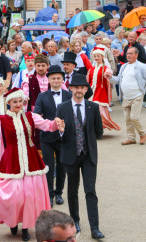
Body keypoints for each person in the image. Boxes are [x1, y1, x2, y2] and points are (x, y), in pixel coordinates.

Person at [0, 88, 62, 241]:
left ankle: (25, 228)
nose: (18, 104)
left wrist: (56, 123)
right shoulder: (2, 119)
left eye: (21, 101)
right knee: (15, 197)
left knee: (29, 196)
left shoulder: (30, 116)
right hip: (12, 162)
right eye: (15, 102)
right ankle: (13, 222)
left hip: (32, 161)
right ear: (9, 103)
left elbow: (47, 125)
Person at [55, 73, 104, 239]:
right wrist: (61, 132)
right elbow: (59, 133)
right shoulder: (62, 108)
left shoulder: (93, 107)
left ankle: (95, 227)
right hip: (71, 155)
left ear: (86, 89)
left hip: (88, 155)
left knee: (90, 191)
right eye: (76, 87)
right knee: (72, 191)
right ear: (70, 89)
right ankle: (74, 220)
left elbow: (99, 131)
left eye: (82, 87)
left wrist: (87, 141)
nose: (79, 90)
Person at [33, 65, 71, 208]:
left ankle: (59, 192)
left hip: (63, 137)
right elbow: (36, 113)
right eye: (53, 78)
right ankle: (49, 194)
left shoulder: (68, 95)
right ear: (48, 80)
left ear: (62, 80)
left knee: (62, 166)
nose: (56, 80)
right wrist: (46, 123)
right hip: (47, 137)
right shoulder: (42, 96)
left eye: (58, 78)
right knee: (48, 167)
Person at [114, 47, 146, 145]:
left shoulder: (141, 66)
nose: (128, 55)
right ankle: (131, 138)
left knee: (134, 117)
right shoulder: (124, 66)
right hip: (126, 98)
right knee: (127, 119)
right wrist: (109, 77)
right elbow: (117, 80)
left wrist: (143, 88)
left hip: (137, 96)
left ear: (136, 55)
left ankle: (142, 133)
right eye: (127, 53)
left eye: (131, 53)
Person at [88, 47, 121, 131]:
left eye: (98, 56)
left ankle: (100, 127)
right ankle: (95, 128)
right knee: (91, 111)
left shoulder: (106, 68)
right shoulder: (92, 69)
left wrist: (108, 74)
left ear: (102, 57)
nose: (96, 58)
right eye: (95, 56)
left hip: (101, 92)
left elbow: (109, 74)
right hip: (92, 93)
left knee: (100, 111)